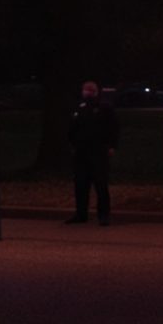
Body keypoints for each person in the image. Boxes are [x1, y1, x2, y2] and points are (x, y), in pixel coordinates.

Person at [69, 80, 119, 226]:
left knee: (101, 185)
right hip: (81, 153)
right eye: (86, 89)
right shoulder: (78, 107)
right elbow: (72, 128)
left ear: (97, 91)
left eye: (91, 90)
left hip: (99, 152)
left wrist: (111, 146)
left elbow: (114, 128)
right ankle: (80, 214)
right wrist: (73, 144)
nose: (88, 92)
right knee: (80, 184)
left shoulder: (105, 107)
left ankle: (103, 215)